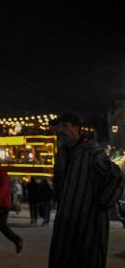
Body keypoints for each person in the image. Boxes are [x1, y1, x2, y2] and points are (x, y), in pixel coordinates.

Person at [49, 113, 125, 268]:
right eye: (59, 126)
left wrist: (102, 203)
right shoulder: (61, 154)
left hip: (89, 222)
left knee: (87, 260)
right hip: (66, 220)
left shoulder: (92, 153)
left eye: (65, 126)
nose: (60, 130)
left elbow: (116, 176)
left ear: (76, 128)